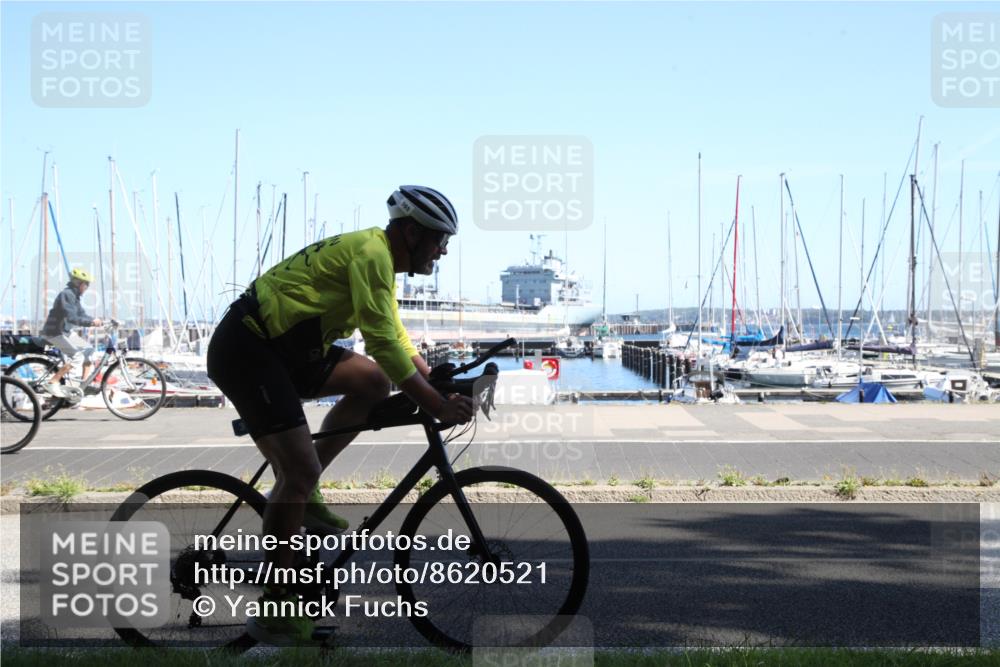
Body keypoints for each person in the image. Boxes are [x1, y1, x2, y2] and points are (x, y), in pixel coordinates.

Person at [206, 185, 475, 645]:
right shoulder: (372, 254)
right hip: (249, 348)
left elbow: (394, 335)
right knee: (298, 471)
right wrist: (434, 404)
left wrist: (432, 381)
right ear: (411, 232)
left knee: (372, 382)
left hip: (286, 349)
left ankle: (303, 493)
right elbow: (384, 344)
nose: (443, 250)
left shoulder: (380, 257)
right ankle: (277, 606)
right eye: (438, 239)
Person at [41, 267, 103, 390]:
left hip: (65, 332)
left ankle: (84, 385)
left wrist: (96, 320)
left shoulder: (74, 296)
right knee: (77, 357)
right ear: (79, 283)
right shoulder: (67, 294)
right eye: (86, 284)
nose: (87, 287)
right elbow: (72, 318)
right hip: (54, 333)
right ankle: (52, 382)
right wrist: (91, 322)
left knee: (89, 350)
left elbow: (81, 314)